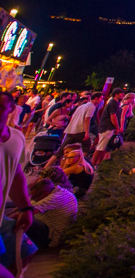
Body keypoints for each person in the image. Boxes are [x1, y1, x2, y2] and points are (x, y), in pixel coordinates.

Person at [0, 91, 33, 278]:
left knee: (25, 254)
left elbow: (15, 174)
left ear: (12, 109)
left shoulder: (16, 138)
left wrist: (25, 207)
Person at [27, 177, 77, 248]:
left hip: (52, 237)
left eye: (34, 197)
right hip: (49, 228)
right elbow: (28, 204)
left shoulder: (55, 198)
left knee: (25, 219)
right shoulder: (60, 192)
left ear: (44, 193)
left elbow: (27, 211)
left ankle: (24, 248)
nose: (32, 198)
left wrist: (7, 220)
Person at [58, 91, 103, 158]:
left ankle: (47, 166)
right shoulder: (91, 107)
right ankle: (81, 162)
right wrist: (87, 132)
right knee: (86, 147)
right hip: (80, 130)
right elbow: (87, 119)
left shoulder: (82, 106)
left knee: (60, 151)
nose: (101, 100)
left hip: (71, 130)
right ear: (96, 98)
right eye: (101, 98)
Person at [92, 88, 125, 166]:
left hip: (108, 128)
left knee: (104, 148)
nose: (123, 95)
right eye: (121, 94)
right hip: (107, 128)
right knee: (100, 148)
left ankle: (99, 164)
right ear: (116, 95)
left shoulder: (115, 103)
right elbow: (113, 116)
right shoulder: (113, 103)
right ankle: (92, 164)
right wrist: (117, 127)